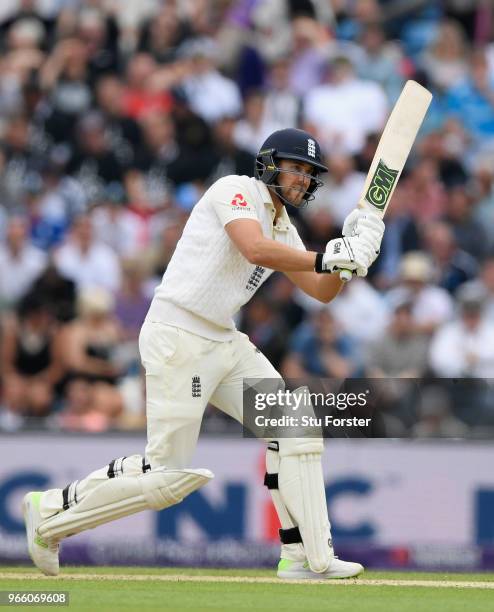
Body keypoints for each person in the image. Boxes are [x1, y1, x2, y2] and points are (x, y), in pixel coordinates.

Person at [23, 128, 384, 579]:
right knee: (166, 476)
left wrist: (353, 253)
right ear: (270, 164)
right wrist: (325, 258)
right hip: (178, 334)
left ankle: (306, 559)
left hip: (223, 340)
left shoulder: (284, 228)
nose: (302, 181)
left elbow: (321, 290)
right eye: (296, 169)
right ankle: (51, 512)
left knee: (296, 425)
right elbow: (253, 248)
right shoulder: (232, 190)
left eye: (310, 175)